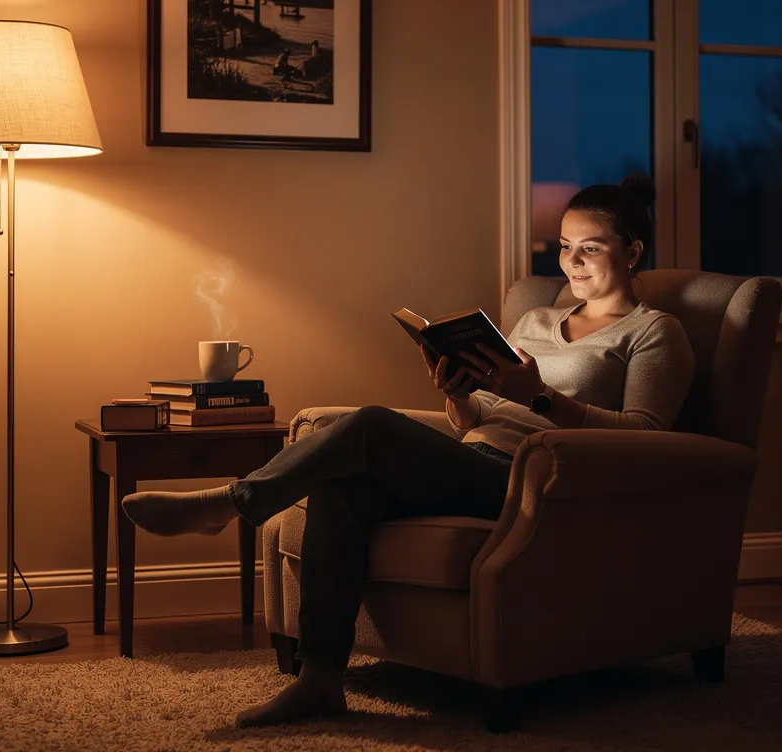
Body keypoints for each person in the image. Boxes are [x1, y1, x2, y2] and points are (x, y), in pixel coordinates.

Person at [121, 174, 695, 728]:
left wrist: (540, 396)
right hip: (473, 459)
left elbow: (645, 437)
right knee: (340, 487)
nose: (570, 262)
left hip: (537, 483)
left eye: (589, 249)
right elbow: (484, 417)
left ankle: (232, 502)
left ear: (633, 250)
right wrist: (459, 394)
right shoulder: (538, 317)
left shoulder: (652, 331)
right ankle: (320, 679)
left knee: (371, 425)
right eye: (566, 246)